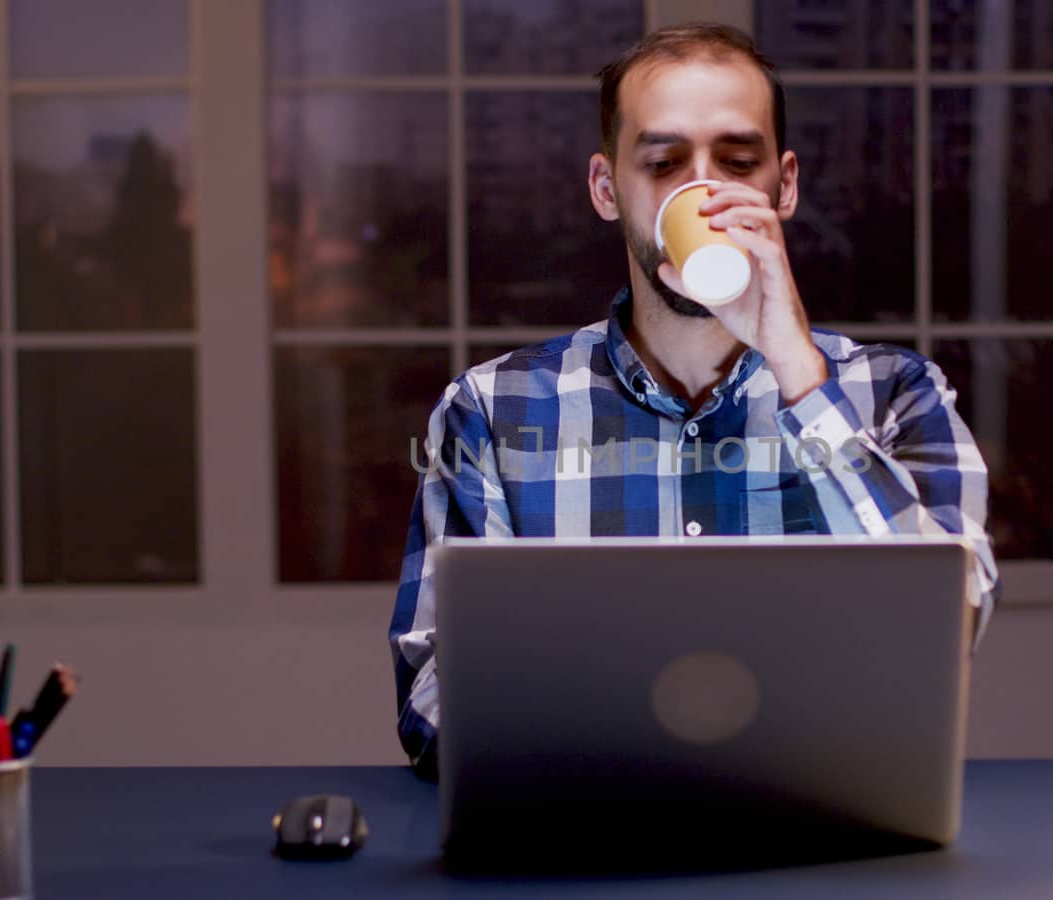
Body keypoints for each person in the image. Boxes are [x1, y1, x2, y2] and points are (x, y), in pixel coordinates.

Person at [389, 23, 1000, 779]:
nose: (702, 192)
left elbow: (950, 626)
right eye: (665, 161)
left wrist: (801, 376)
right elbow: (431, 701)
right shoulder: (490, 412)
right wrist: (621, 754)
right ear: (607, 188)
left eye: (737, 162)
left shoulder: (894, 395)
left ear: (786, 184)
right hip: (583, 849)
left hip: (825, 843)